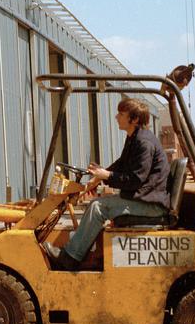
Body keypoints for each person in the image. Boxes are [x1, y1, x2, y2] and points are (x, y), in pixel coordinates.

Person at [54, 99, 170, 271]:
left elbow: (135, 180)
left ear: (134, 119)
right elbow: (122, 164)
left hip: (152, 205)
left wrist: (106, 175)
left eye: (121, 114)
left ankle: (69, 258)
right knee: (96, 204)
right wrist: (97, 178)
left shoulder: (143, 143)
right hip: (145, 199)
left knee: (98, 207)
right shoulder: (135, 138)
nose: (116, 117)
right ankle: (79, 251)